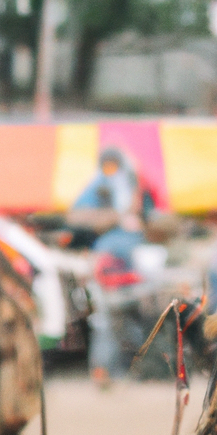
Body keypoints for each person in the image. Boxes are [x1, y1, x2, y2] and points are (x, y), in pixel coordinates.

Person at [70, 147, 149, 386]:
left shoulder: (134, 187)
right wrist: (114, 216)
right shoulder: (98, 188)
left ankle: (134, 368)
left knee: (133, 321)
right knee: (105, 320)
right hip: (106, 266)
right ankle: (103, 370)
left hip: (132, 265)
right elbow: (76, 216)